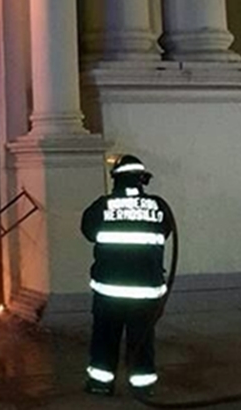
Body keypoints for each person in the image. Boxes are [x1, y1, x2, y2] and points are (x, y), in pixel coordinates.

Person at [81, 154, 175, 396]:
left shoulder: (102, 206)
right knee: (142, 340)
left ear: (116, 179)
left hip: (109, 291)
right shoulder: (159, 206)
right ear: (142, 179)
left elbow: (88, 231)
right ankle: (143, 388)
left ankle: (100, 384)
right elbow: (164, 233)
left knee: (105, 337)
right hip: (146, 292)